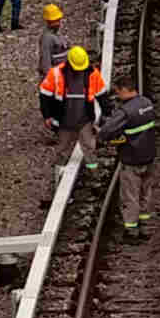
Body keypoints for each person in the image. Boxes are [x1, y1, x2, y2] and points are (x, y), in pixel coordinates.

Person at [39, 46, 109, 204]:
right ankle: (59, 186)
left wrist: (107, 115)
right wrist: (47, 116)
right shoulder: (56, 74)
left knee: (89, 149)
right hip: (64, 123)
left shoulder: (91, 74)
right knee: (62, 152)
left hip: (83, 121)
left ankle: (95, 180)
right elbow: (45, 95)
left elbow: (102, 95)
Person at [96, 75, 156, 241]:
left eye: (117, 92)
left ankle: (131, 232)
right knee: (146, 193)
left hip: (132, 159)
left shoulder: (125, 111)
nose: (117, 96)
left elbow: (107, 131)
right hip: (149, 157)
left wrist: (100, 135)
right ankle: (146, 229)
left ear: (123, 90)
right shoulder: (147, 103)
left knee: (130, 196)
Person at [38, 4, 70, 79]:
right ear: (48, 21)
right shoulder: (47, 38)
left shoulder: (57, 33)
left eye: (58, 20)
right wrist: (50, 78)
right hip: (56, 73)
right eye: (54, 21)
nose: (58, 23)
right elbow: (46, 61)